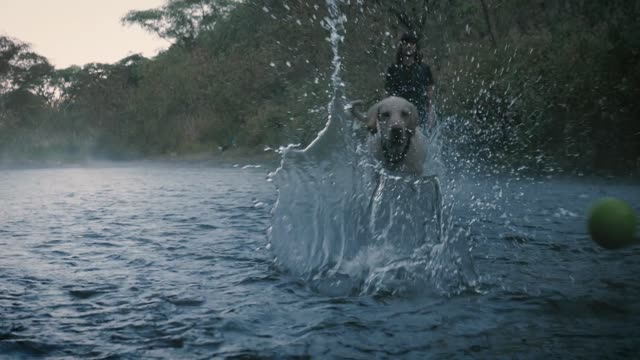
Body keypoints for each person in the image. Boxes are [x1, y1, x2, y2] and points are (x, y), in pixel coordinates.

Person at [384, 32, 435, 133]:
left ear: (416, 47)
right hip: (398, 114)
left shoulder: (424, 69)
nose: (408, 46)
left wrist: (430, 115)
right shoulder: (393, 69)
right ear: (401, 46)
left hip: (420, 114)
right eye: (405, 43)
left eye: (412, 43)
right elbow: (386, 94)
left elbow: (429, 95)